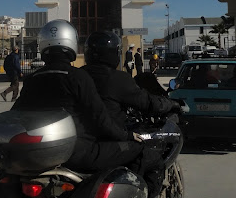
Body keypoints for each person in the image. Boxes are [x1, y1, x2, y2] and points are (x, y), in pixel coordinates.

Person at [11, 20, 145, 181]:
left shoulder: (32, 78)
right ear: (71, 43)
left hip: (40, 153)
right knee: (138, 148)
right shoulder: (78, 77)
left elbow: (16, 115)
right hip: (77, 152)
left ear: (42, 45)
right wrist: (127, 135)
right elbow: (100, 119)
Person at [83, 31, 183, 198]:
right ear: (113, 54)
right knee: (154, 162)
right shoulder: (117, 79)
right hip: (110, 142)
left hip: (81, 142)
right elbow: (147, 102)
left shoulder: (80, 75)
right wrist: (170, 104)